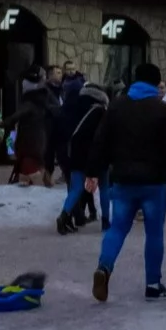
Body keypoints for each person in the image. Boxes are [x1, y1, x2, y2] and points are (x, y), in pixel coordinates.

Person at [89, 62, 166, 302]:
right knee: (154, 233)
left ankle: (104, 267)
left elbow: (100, 140)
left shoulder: (117, 106)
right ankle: (153, 284)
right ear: (156, 83)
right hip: (153, 182)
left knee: (118, 227)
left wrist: (92, 172)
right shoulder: (164, 110)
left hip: (121, 179)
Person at [57, 81, 108, 234]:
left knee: (76, 188)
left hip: (76, 155)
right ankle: (106, 221)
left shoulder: (73, 107)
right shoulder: (100, 112)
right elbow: (103, 137)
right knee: (104, 188)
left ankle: (64, 215)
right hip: (97, 155)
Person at [13, 67, 52, 185]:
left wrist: (2, 123)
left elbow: (17, 116)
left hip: (30, 145)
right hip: (38, 143)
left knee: (30, 175)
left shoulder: (30, 101)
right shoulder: (44, 98)